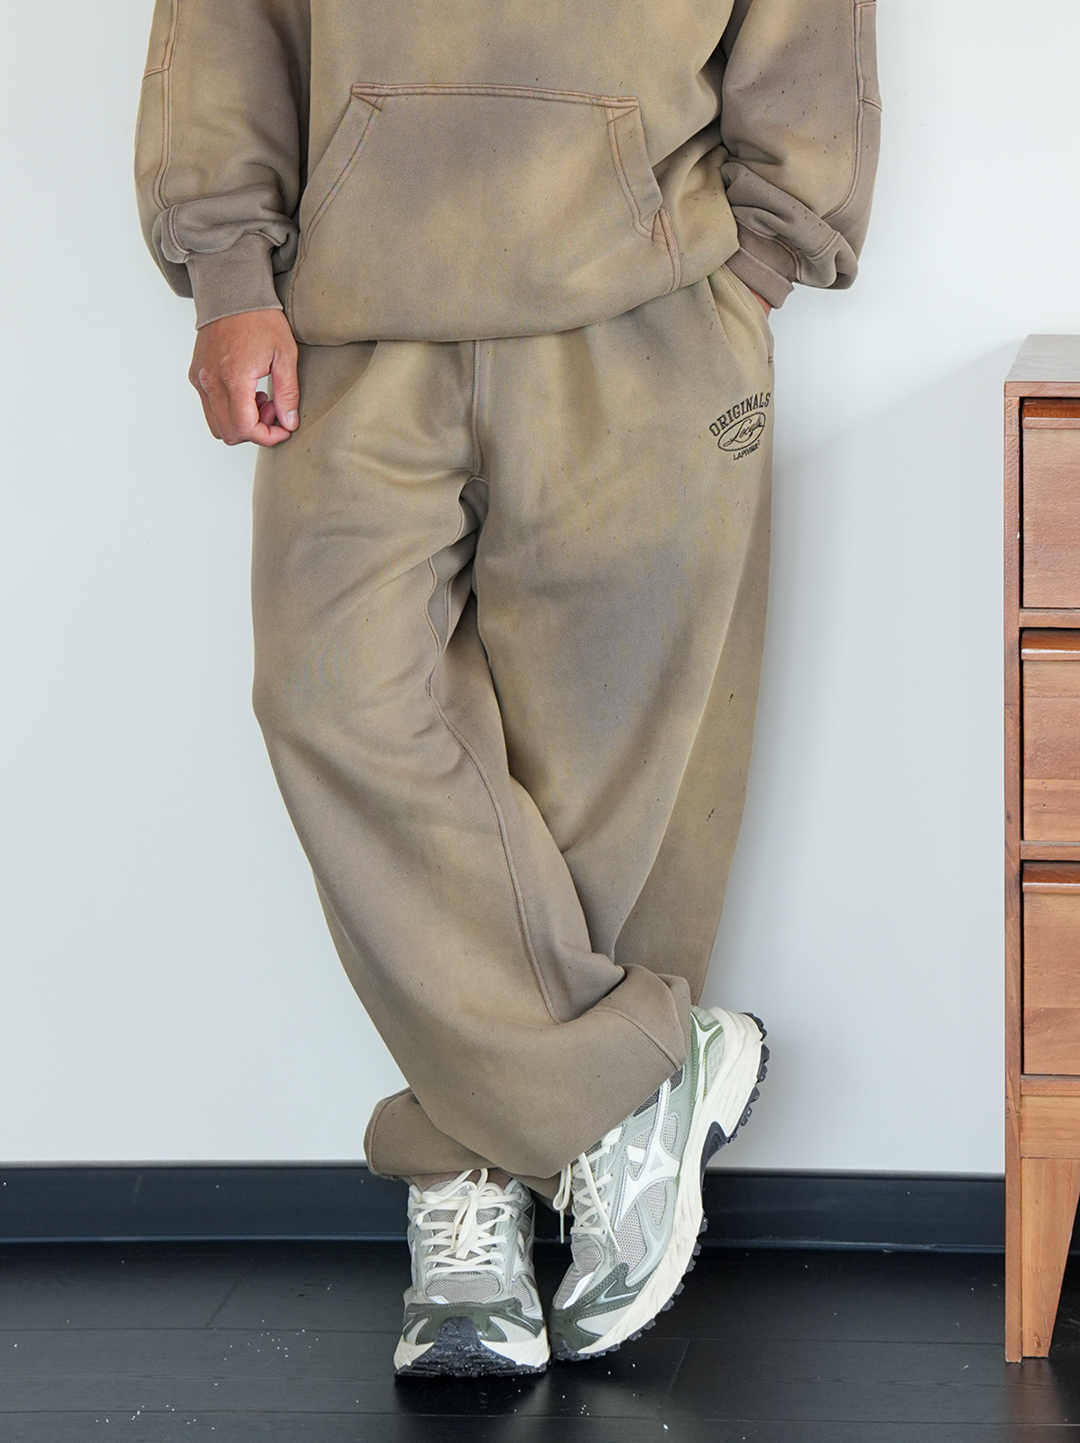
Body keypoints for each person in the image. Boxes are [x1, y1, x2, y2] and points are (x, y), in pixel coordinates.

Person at [135, 0, 879, 1378]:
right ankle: (626, 1101)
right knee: (330, 696)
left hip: (651, 301)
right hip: (357, 308)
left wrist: (767, 250)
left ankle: (468, 1184)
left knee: (605, 779)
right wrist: (229, 271)